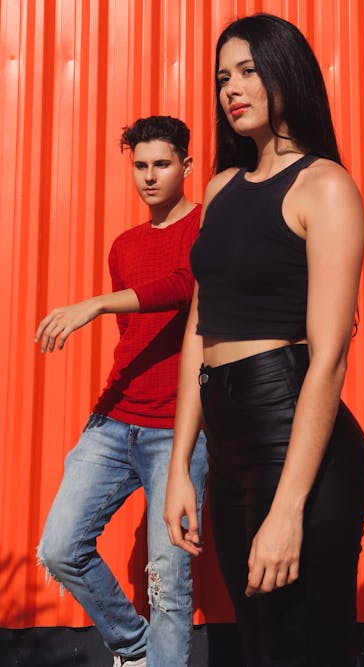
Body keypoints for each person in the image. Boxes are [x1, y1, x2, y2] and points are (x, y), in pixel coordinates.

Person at [164, 14, 364, 667]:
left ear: (288, 71)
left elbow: (330, 357)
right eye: (224, 76)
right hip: (228, 449)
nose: (233, 87)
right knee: (259, 646)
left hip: (298, 442)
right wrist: (180, 468)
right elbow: (202, 327)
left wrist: (289, 507)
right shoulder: (222, 188)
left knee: (306, 648)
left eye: (249, 70)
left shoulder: (325, 186)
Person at [36, 115, 208, 667]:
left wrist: (97, 303)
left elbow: (184, 287)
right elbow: (136, 337)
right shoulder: (124, 246)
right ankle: (134, 649)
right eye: (140, 166)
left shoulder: (208, 225)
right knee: (60, 548)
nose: (150, 177)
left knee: (167, 581)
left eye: (162, 164)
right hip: (113, 421)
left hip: (176, 434)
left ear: (186, 165)